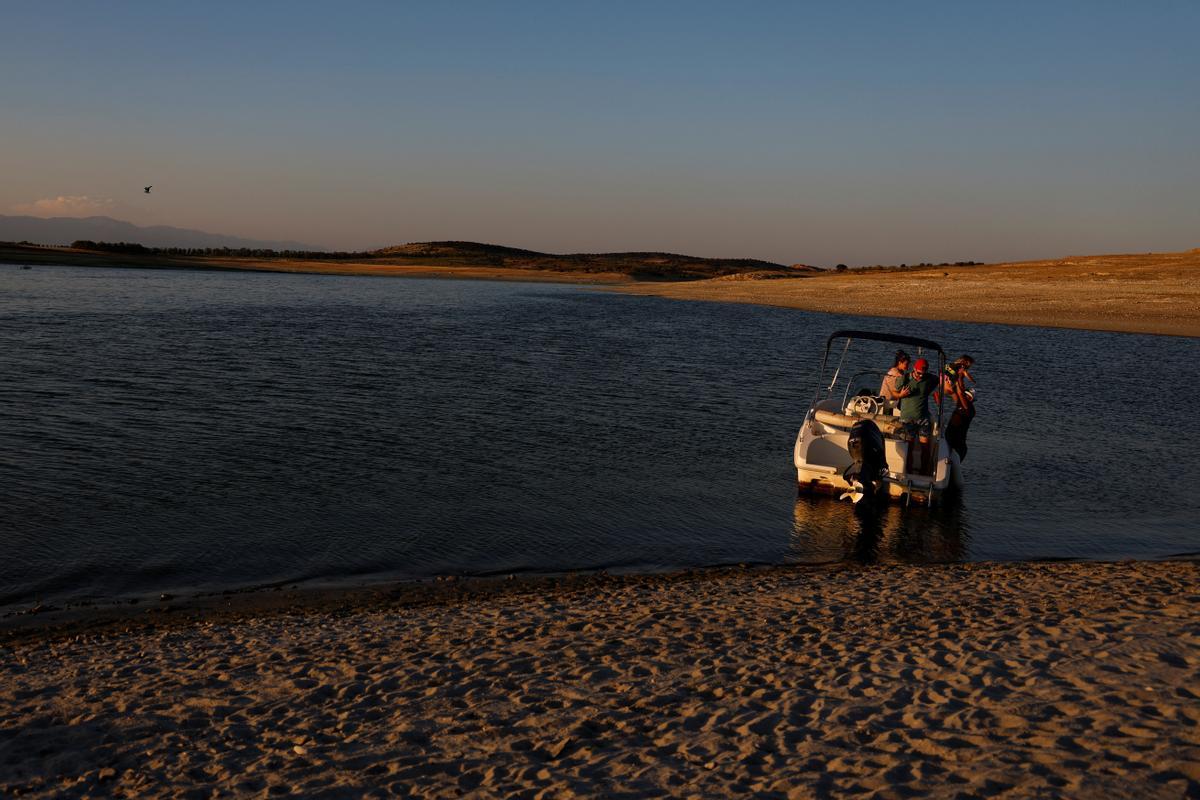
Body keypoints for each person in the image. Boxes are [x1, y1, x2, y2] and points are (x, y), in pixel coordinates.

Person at [895, 357, 938, 473]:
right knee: (909, 447)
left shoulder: (929, 379)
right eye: (918, 373)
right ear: (914, 369)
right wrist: (901, 395)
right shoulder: (905, 378)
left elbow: (939, 380)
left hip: (923, 419)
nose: (920, 376)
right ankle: (907, 471)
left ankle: (924, 472)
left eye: (923, 374)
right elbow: (895, 390)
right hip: (908, 419)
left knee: (925, 447)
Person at [944, 355, 977, 462]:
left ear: (971, 399)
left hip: (959, 445)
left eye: (968, 396)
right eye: (966, 394)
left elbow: (959, 392)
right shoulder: (960, 404)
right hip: (950, 438)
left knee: (952, 463)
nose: (965, 396)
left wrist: (959, 376)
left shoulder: (969, 408)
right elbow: (954, 392)